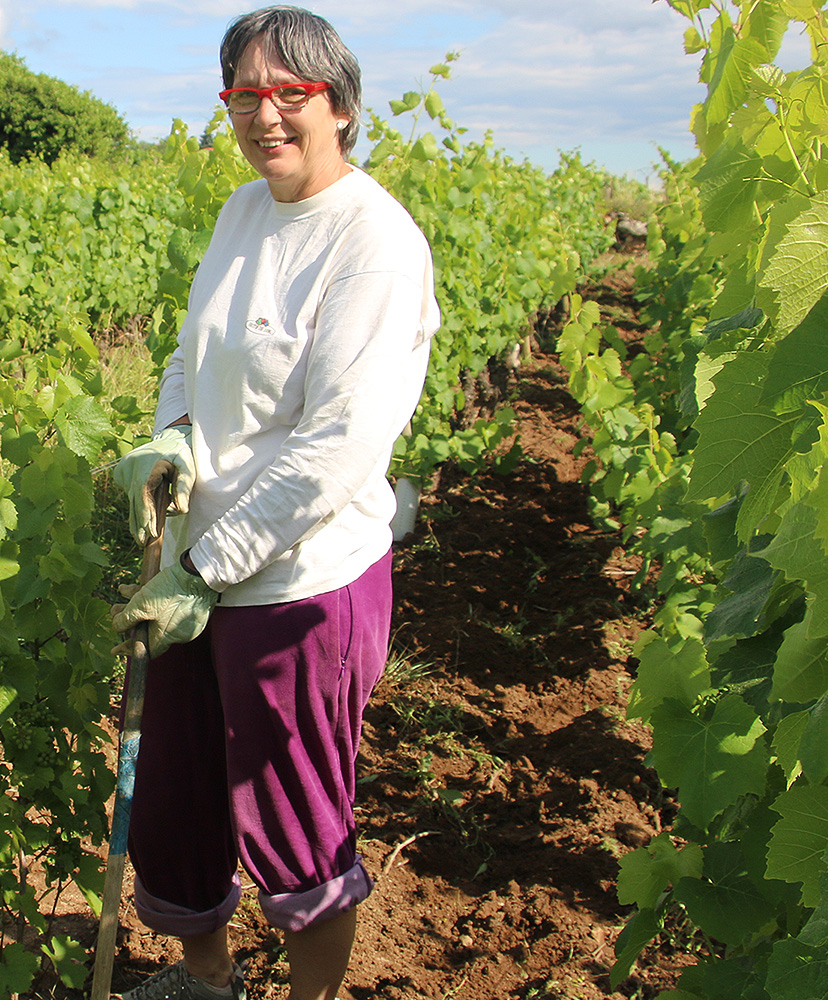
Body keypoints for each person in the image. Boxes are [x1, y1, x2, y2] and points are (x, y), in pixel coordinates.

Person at [109, 6, 438, 999]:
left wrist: (207, 570)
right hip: (200, 573)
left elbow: (339, 450)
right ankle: (207, 979)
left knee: (294, 820)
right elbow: (191, 350)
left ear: (337, 104)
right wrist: (172, 433)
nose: (267, 116)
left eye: (290, 93)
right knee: (179, 796)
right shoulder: (243, 210)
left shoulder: (374, 243)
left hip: (300, 584)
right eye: (244, 95)